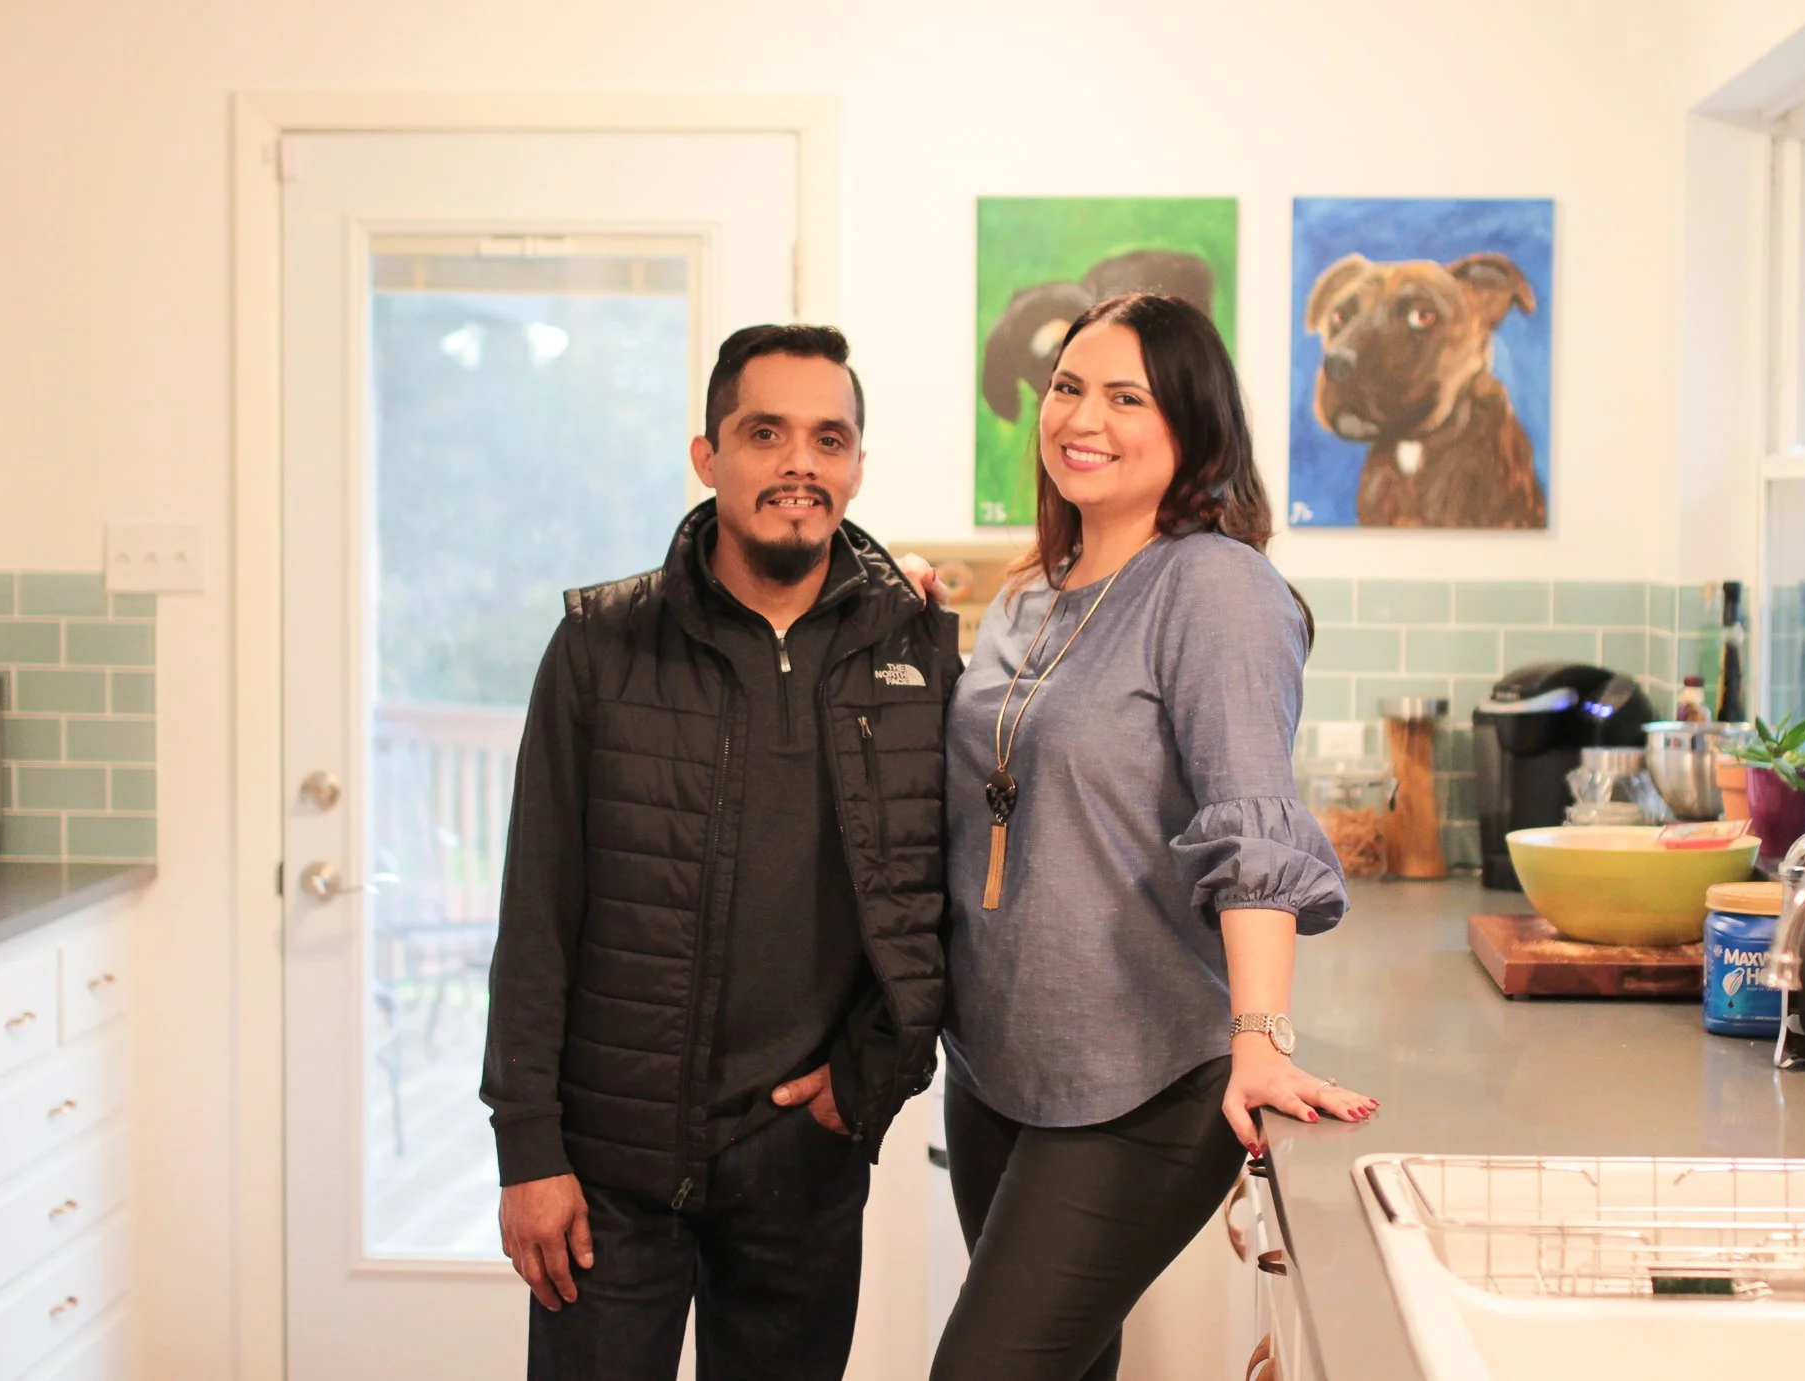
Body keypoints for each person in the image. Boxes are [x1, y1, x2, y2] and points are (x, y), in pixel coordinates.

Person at [481, 323, 962, 1380]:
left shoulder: (915, 651)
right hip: (606, 1170)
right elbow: (535, 913)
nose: (800, 463)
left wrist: (873, 1071)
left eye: (828, 439)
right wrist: (529, 1149)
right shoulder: (601, 647)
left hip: (803, 1160)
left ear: (857, 466)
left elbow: (943, 890)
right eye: (764, 432)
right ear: (708, 456)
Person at [931, 294, 1378, 1381]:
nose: (1082, 417)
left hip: (1143, 1077)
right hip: (996, 1067)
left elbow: (1250, 819)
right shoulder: (1030, 593)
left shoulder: (1215, 587)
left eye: (1125, 397)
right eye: (1068, 388)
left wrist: (1259, 1037)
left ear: (1193, 427)